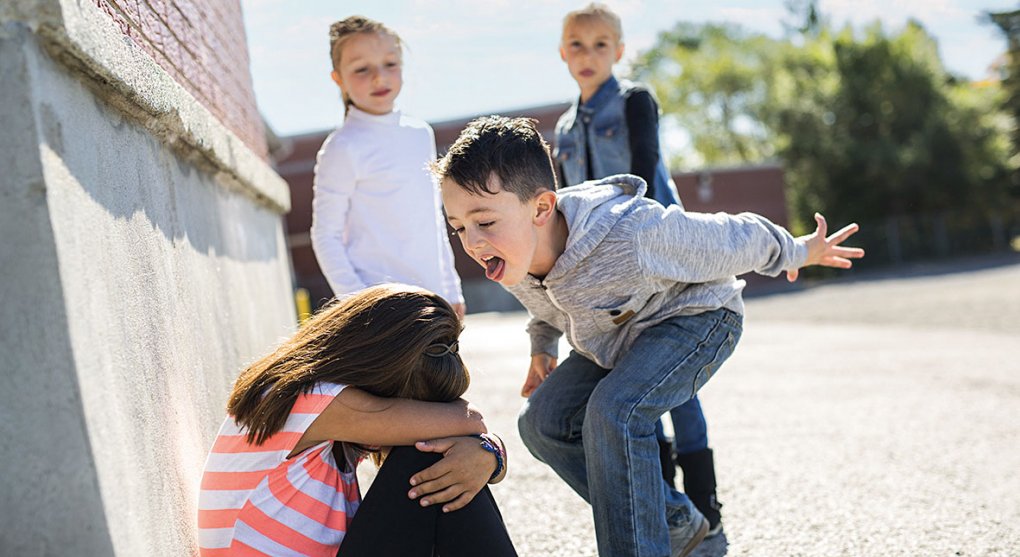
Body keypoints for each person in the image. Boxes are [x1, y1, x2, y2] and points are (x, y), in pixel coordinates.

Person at [435, 116, 863, 557]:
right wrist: (541, 349)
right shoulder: (510, 253)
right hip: (618, 339)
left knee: (614, 411)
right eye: (458, 226)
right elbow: (547, 305)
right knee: (541, 423)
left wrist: (797, 250)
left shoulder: (632, 234)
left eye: (483, 221)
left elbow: (734, 236)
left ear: (541, 209)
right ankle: (674, 521)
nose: (471, 241)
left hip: (697, 319)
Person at [552, 2, 720, 534]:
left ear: (619, 51)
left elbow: (645, 172)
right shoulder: (562, 126)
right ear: (563, 52)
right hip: (604, 275)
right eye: (578, 44)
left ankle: (706, 508)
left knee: (677, 385)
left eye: (601, 44)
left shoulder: (634, 102)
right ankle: (669, 511)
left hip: (659, 258)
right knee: (632, 380)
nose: (589, 54)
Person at [196, 284, 518, 556]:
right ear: (379, 371)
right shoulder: (310, 398)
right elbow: (470, 420)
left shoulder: (318, 406)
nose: (417, 417)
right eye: (410, 405)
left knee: (445, 460)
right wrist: (486, 449)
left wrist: (488, 454)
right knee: (426, 453)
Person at [311, 16, 464, 317]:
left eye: (390, 64)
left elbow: (433, 220)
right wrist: (358, 303)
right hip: (381, 311)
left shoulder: (421, 134)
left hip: (434, 301)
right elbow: (325, 235)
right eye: (361, 69)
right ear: (338, 78)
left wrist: (451, 288)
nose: (379, 77)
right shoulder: (342, 147)